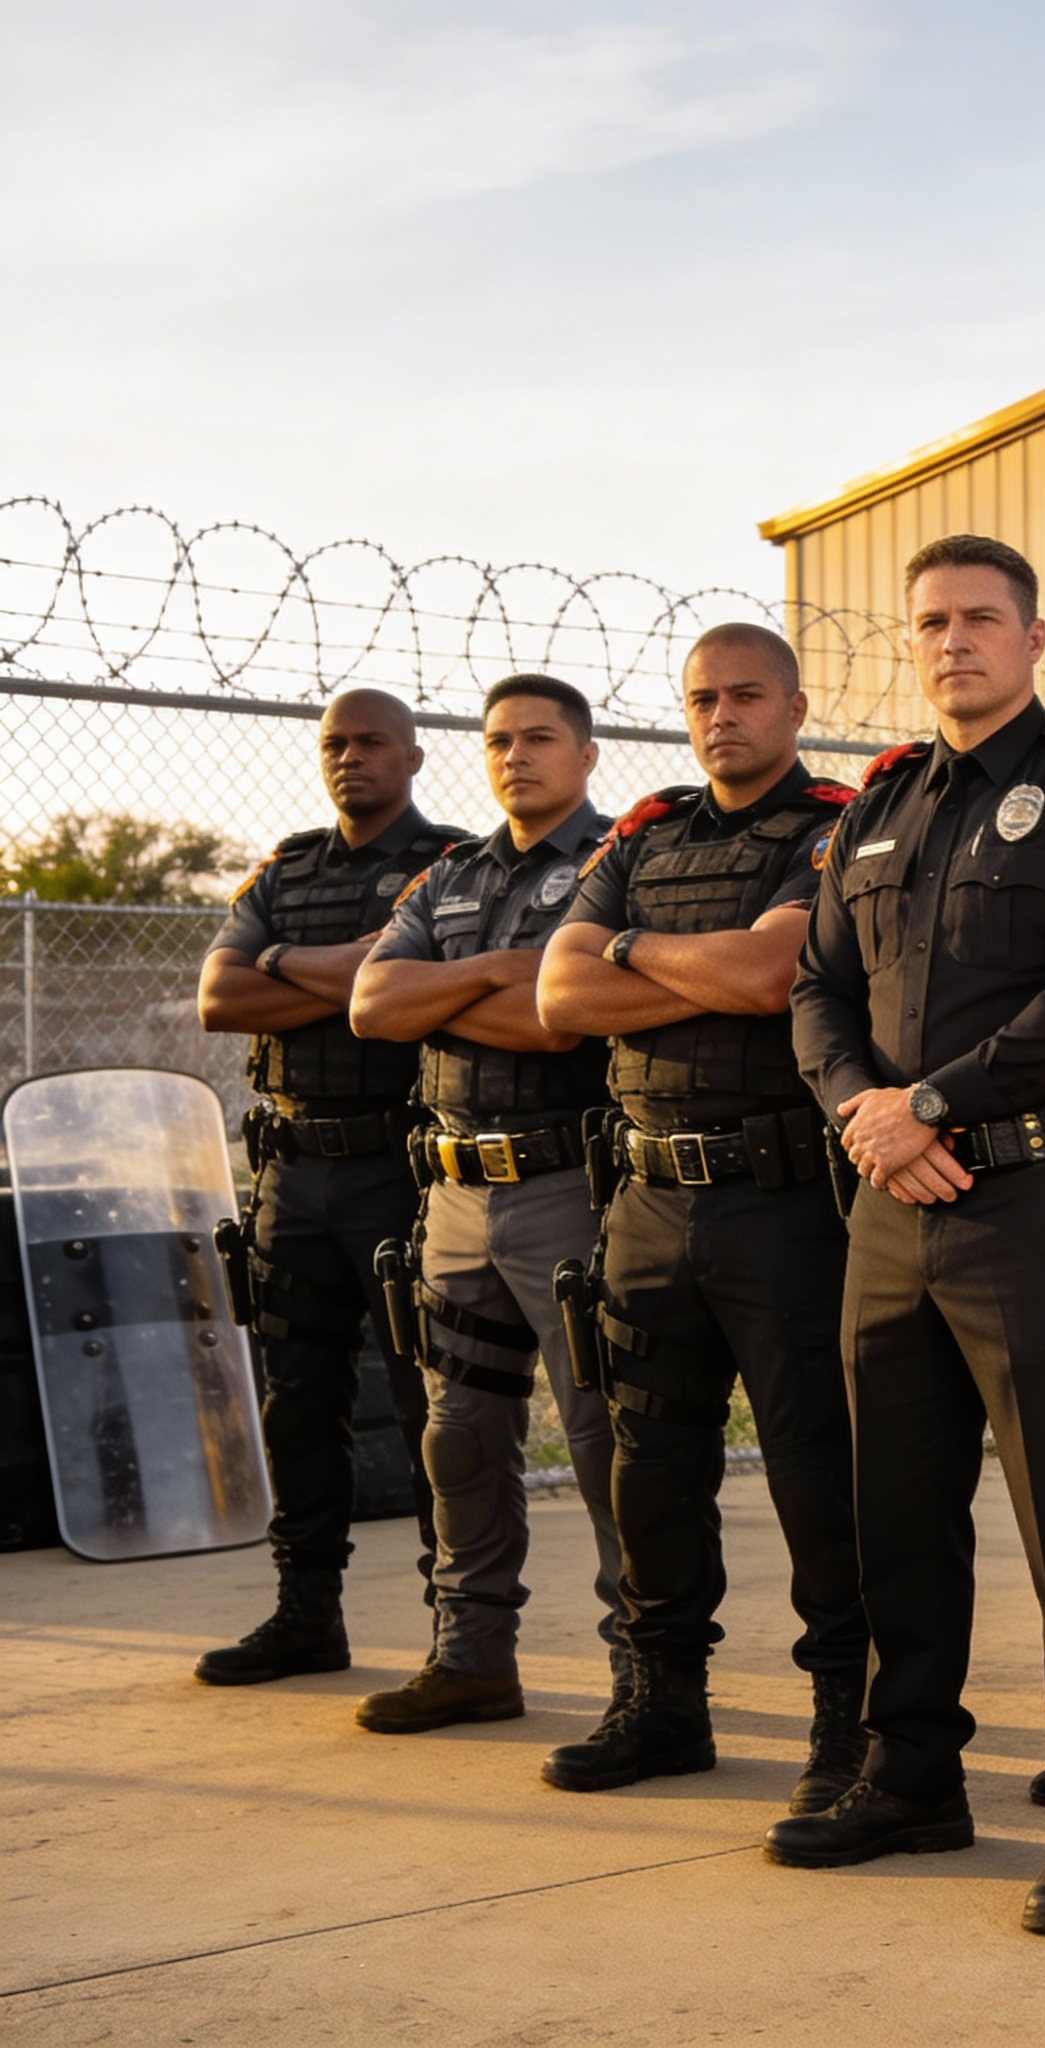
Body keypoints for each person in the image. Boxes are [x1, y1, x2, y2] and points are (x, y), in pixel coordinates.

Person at [774, 533, 1045, 1939]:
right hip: (891, 1205)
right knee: (896, 1513)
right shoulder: (880, 804)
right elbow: (816, 987)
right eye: (933, 623)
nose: (955, 642)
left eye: (981, 620)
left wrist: (930, 1102)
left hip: (1036, 1210)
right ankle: (911, 1778)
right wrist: (861, 1115)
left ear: (1033, 636)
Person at [533, 622, 868, 1812]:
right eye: (700, 699)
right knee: (648, 1467)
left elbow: (768, 978)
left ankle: (849, 1722)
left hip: (785, 1202)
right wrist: (671, 956)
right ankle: (662, 1702)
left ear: (791, 704)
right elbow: (557, 994)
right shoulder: (644, 828)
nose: (720, 716)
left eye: (743, 696)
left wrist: (625, 947)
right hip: (646, 1199)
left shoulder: (837, 822)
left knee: (818, 1476)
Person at [346, 675, 624, 1734]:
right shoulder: (450, 871)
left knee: (606, 1436)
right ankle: (470, 1657)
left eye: (540, 738)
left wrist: (461, 984)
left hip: (570, 1187)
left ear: (586, 752)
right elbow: (373, 1004)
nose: (515, 755)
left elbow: (565, 1021)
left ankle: (640, 1666)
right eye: (499, 739)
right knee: (457, 1434)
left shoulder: (617, 861)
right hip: (455, 1192)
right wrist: (510, 969)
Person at [193, 689, 464, 1687]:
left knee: (427, 1398)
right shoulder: (288, 862)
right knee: (297, 1401)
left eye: (370, 742)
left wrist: (289, 968)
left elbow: (390, 1004)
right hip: (290, 1172)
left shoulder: (452, 864)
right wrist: (323, 967)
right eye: (333, 743)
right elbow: (221, 998)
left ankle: (457, 1628)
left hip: (398, 1170)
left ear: (413, 754)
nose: (349, 758)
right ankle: (305, 1612)